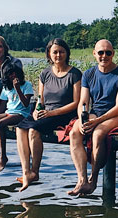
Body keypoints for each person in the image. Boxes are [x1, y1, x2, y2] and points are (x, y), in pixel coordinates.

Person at [14, 38, 82, 188]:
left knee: (33, 130)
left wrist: (52, 113)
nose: (58, 55)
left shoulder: (75, 74)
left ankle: (35, 171)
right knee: (20, 128)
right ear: (49, 54)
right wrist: (37, 110)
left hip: (64, 113)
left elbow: (76, 103)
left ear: (67, 53)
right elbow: (40, 98)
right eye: (55, 52)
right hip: (46, 112)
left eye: (61, 52)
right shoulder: (45, 73)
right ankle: (26, 172)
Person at [68, 39, 118, 197]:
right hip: (95, 112)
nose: (104, 56)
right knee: (74, 132)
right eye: (101, 52)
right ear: (94, 54)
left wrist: (97, 121)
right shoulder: (89, 74)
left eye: (108, 52)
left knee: (98, 134)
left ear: (113, 54)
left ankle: (93, 179)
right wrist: (82, 120)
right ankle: (82, 179)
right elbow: (83, 102)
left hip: (117, 116)